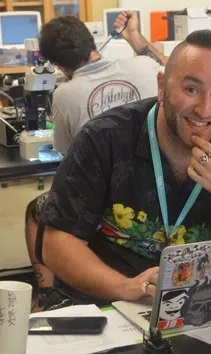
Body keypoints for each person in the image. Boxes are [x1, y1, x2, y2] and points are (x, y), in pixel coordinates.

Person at [37, 29, 211, 307]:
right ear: (162, 86)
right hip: (107, 306)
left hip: (196, 309)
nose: (204, 109)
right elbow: (56, 244)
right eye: (191, 89)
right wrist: (127, 287)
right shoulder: (106, 138)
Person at [24, 12, 166, 309]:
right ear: (91, 42)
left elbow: (65, 153)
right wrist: (135, 37)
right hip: (161, 191)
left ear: (59, 64)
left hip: (107, 203)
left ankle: (51, 295)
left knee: (38, 210)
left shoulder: (65, 93)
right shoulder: (145, 65)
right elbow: (172, 71)